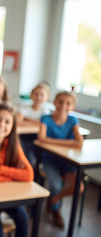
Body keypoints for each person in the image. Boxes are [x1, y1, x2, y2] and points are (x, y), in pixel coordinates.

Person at [0, 104, 33, 237]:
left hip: (6, 196)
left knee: (23, 218)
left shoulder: (13, 145)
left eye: (7, 122)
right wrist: (14, 175)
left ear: (12, 127)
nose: (1, 124)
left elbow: (28, 175)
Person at [38, 91, 83, 229]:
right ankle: (56, 209)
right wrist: (67, 142)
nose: (63, 105)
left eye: (68, 103)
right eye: (60, 101)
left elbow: (79, 142)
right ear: (54, 102)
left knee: (79, 187)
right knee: (56, 186)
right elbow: (41, 139)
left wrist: (51, 141)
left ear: (72, 106)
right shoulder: (45, 118)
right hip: (49, 160)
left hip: (67, 161)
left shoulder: (72, 120)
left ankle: (53, 200)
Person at [17, 83, 51, 166]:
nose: (38, 97)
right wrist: (36, 122)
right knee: (21, 154)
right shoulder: (25, 109)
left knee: (31, 158)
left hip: (38, 139)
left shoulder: (45, 112)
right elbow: (18, 121)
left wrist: (27, 120)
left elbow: (42, 124)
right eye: (36, 94)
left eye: (42, 95)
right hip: (23, 138)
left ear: (47, 97)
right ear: (31, 95)